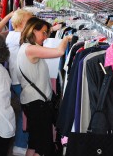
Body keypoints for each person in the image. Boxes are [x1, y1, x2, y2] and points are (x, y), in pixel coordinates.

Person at [17, 17, 72, 156]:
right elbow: (59, 52)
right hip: (37, 104)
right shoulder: (30, 49)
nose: (46, 37)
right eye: (43, 33)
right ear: (33, 30)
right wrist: (67, 38)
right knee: (43, 146)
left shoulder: (26, 48)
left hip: (34, 103)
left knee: (35, 144)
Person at [5, 9, 33, 156]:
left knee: (25, 111)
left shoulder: (13, 35)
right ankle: (21, 144)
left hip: (17, 80)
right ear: (22, 23)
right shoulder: (17, 36)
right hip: (19, 80)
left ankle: (21, 144)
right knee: (26, 112)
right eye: (30, 21)